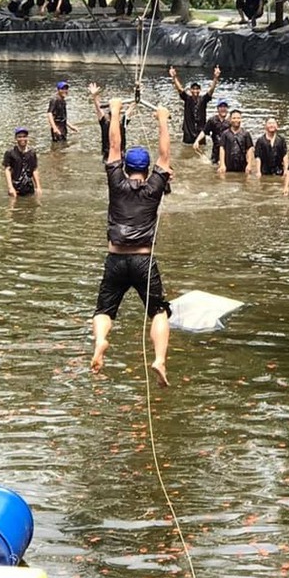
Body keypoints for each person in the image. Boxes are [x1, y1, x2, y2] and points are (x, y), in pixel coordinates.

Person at [91, 100, 172, 385]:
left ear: (125, 166)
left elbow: (113, 146)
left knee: (104, 310)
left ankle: (101, 340)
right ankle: (159, 359)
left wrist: (114, 112)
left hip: (115, 258)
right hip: (143, 260)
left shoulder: (116, 181)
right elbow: (165, 154)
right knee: (159, 311)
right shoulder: (155, 186)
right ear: (148, 169)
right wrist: (162, 119)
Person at [169, 65, 221, 144]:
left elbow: (211, 90)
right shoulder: (187, 99)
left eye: (197, 89)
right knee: (187, 150)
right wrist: (174, 77)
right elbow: (180, 89)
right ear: (190, 90)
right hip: (188, 132)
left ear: (200, 90)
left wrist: (215, 78)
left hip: (200, 132)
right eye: (193, 89)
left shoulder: (203, 100)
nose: (195, 91)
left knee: (201, 149)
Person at [88, 82, 135, 160]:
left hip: (120, 155)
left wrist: (137, 94)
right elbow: (98, 108)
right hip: (108, 155)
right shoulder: (105, 123)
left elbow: (132, 107)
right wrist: (94, 96)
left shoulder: (122, 123)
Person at [3, 127, 42, 197]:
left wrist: (38, 187)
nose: (22, 139)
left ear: (27, 138)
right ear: (15, 138)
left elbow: (34, 170)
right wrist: (10, 187)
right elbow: (7, 170)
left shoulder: (32, 153)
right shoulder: (10, 153)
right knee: (13, 206)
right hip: (15, 187)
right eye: (19, 137)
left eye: (24, 136)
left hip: (29, 187)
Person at [193, 98, 230, 164]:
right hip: (216, 150)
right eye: (221, 107)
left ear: (227, 108)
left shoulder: (231, 121)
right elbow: (204, 131)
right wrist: (197, 141)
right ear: (218, 109)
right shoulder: (212, 120)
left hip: (228, 150)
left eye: (225, 107)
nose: (223, 109)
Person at [218, 110, 254, 174]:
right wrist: (222, 164)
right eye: (234, 118)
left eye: (238, 118)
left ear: (241, 119)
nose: (236, 120)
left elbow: (250, 149)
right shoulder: (225, 134)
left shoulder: (246, 134)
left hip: (242, 166)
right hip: (228, 166)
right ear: (230, 119)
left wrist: (249, 164)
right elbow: (222, 149)